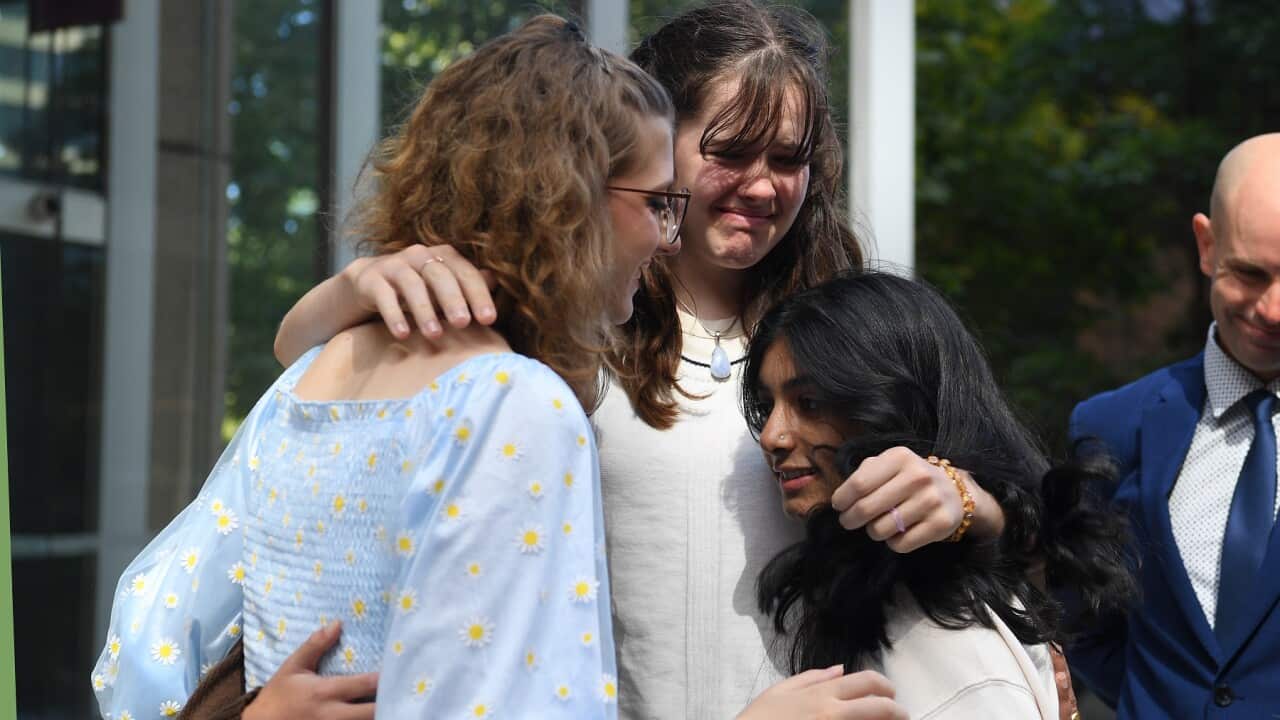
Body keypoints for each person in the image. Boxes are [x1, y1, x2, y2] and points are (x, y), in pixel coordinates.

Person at [272, 3, 1018, 717]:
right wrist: (355, 285)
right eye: (728, 152)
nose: (761, 185)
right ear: (658, 149)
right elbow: (304, 384)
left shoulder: (848, 331)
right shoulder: (573, 326)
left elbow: (1036, 532)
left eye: (788, 159)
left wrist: (966, 502)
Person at [91, 15, 675, 719]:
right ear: (573, 200)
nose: (668, 238)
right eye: (659, 204)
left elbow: (151, 633)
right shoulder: (512, 404)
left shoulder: (313, 369)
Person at [743, 272, 1135, 719]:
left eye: (808, 404)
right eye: (766, 405)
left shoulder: (947, 651)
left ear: (891, 407)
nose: (772, 436)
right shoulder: (887, 608)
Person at [1068, 133, 1280, 716]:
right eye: (1250, 273)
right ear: (1206, 246)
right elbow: (1080, 611)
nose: (1272, 310)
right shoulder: (1111, 425)